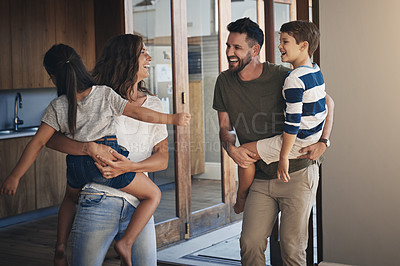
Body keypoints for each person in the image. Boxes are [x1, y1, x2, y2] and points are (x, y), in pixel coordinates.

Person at [0, 43, 189, 266]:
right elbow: (138, 113)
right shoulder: (104, 94)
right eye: (142, 52)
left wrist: (15, 176)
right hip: (102, 175)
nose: (148, 57)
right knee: (154, 194)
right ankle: (125, 243)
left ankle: (60, 245)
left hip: (79, 168)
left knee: (69, 198)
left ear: (54, 77)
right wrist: (173, 119)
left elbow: (38, 142)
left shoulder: (58, 105)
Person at [213, 17, 334, 266]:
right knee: (250, 244)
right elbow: (226, 129)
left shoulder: (283, 75)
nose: (229, 53)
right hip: (259, 177)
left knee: (293, 250)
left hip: (297, 174)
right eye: (228, 46)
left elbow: (328, 103)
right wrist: (231, 149)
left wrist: (324, 141)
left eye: (236, 47)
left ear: (254, 50)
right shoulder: (223, 82)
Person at [46, 34, 169, 266]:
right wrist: (87, 148)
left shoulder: (154, 104)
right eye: (143, 52)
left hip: (139, 204)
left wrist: (131, 167)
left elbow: (162, 159)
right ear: (125, 59)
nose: (149, 57)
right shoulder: (97, 96)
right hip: (98, 200)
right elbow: (50, 138)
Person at [233, 20, 327, 214]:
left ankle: (241, 197)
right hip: (311, 137)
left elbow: (292, 123)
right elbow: (325, 105)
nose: (279, 46)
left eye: (285, 41)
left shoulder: (293, 79)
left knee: (244, 153)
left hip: (298, 142)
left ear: (303, 46)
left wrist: (284, 156)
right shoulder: (315, 70)